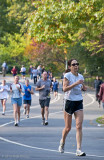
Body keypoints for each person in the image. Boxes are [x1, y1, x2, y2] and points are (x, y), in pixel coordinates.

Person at [58, 59, 87, 156]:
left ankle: (78, 149)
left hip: (78, 101)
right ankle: (62, 142)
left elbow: (82, 87)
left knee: (79, 126)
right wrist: (75, 83)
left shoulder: (81, 76)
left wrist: (84, 87)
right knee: (68, 128)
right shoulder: (67, 76)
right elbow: (64, 89)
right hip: (69, 102)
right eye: (73, 64)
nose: (76, 66)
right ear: (70, 67)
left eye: (77, 64)